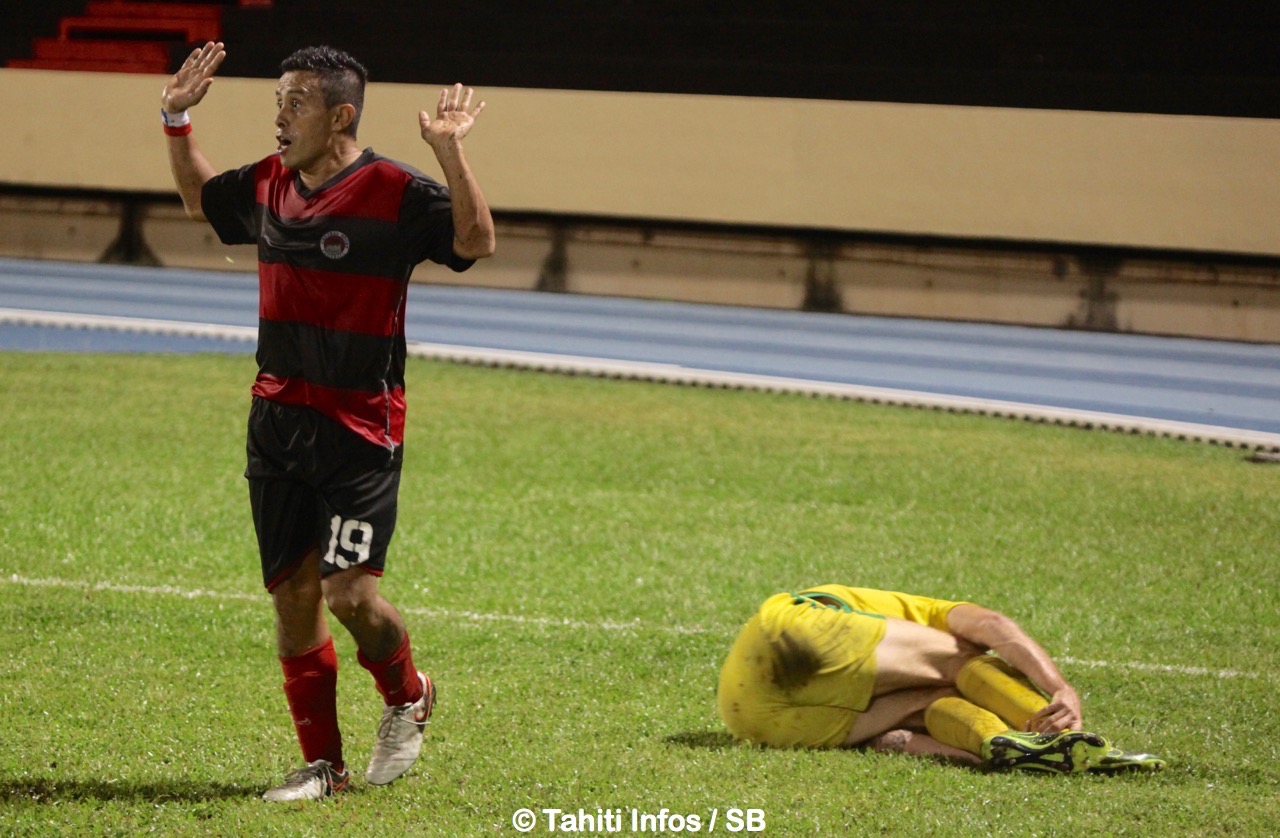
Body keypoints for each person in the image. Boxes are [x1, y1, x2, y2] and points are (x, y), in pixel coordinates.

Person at [161, 41, 496, 801]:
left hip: (361, 427)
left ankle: (408, 693)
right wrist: (175, 120)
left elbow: (476, 242)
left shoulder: (396, 192)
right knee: (293, 597)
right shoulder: (269, 182)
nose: (279, 116)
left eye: (296, 102)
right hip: (277, 420)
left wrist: (450, 157)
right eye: (279, 100)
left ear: (340, 114)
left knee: (350, 596)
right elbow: (200, 202)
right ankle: (324, 768)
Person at [717, 585, 1165, 773]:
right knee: (962, 661)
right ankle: (1066, 733)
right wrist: (1060, 689)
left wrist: (978, 756)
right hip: (789, 637)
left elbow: (891, 740)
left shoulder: (894, 644)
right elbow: (989, 624)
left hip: (753, 720)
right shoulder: (931, 615)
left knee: (923, 710)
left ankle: (1000, 746)